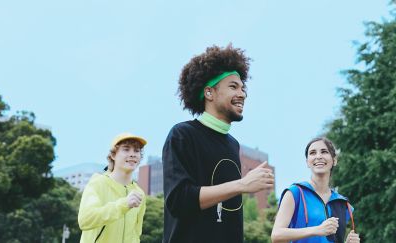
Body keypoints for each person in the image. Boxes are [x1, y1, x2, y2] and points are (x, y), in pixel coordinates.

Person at [162, 44, 275, 243]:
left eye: (243, 88)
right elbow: (178, 200)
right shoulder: (182, 135)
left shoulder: (233, 145)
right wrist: (242, 184)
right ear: (209, 93)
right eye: (233, 86)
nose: (242, 94)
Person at [271, 137, 360, 243]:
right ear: (307, 162)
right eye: (313, 153)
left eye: (324, 152)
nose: (318, 156)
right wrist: (317, 230)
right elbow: (276, 235)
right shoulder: (295, 193)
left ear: (334, 160)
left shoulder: (342, 203)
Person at [78, 133, 147, 243]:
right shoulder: (98, 183)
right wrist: (124, 204)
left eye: (136, 150)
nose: (132, 154)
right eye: (126, 149)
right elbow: (85, 220)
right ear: (113, 155)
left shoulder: (139, 193)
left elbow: (136, 233)